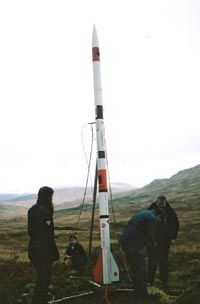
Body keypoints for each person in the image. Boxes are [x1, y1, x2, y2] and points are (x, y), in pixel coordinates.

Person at [119, 209, 161, 300]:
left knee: (135, 267)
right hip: (134, 242)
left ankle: (136, 291)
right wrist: (153, 243)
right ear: (159, 216)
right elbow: (151, 234)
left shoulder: (143, 213)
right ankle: (142, 294)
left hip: (126, 241)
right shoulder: (152, 217)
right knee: (140, 267)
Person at [28, 186, 60, 304]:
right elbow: (48, 235)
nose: (52, 199)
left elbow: (32, 231)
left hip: (33, 248)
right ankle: (40, 300)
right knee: (45, 278)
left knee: (41, 276)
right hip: (43, 251)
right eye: (51, 196)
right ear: (47, 197)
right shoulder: (45, 211)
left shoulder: (31, 210)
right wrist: (55, 253)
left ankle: (37, 299)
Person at [147, 195, 179, 289]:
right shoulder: (150, 210)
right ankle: (150, 282)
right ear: (156, 202)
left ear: (165, 202)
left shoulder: (170, 211)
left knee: (163, 262)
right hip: (152, 241)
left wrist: (173, 236)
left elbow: (176, 224)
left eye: (162, 204)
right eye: (159, 203)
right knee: (152, 262)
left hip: (165, 242)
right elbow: (145, 223)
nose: (161, 205)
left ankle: (164, 283)